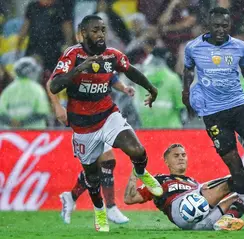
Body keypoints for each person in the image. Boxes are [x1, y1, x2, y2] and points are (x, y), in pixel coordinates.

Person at [48, 15, 163, 232]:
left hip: (108, 115)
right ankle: (100, 210)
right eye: (95, 30)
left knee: (137, 150)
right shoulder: (73, 55)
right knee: (92, 178)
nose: (100, 34)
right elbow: (54, 86)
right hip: (83, 126)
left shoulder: (111, 56)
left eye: (103, 29)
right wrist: (80, 68)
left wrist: (151, 88)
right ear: (83, 33)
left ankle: (141, 174)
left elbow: (130, 70)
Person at [182, 7, 244, 232]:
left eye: (225, 26)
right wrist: (186, 94)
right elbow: (188, 70)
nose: (220, 30)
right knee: (236, 170)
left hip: (238, 106)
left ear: (229, 26)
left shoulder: (239, 47)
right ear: (208, 24)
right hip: (213, 113)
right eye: (216, 26)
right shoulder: (194, 47)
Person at [124, 144, 244, 231]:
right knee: (235, 180)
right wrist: (136, 172)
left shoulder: (192, 182)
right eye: (176, 155)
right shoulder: (159, 179)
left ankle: (225, 220)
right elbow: (129, 199)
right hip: (182, 209)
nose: (181, 158)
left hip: (199, 224)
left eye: (184, 155)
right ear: (166, 161)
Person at [46, 63, 135, 224]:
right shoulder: (74, 57)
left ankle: (106, 207)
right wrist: (58, 107)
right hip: (81, 118)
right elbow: (51, 82)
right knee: (96, 167)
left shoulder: (102, 58)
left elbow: (111, 77)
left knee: (106, 162)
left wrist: (123, 87)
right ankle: (105, 207)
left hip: (102, 115)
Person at [0, 57, 50, 129]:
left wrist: (12, 122)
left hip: (12, 134)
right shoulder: (37, 89)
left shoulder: (8, 90)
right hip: (35, 133)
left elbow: (1, 112)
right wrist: (23, 123)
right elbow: (43, 112)